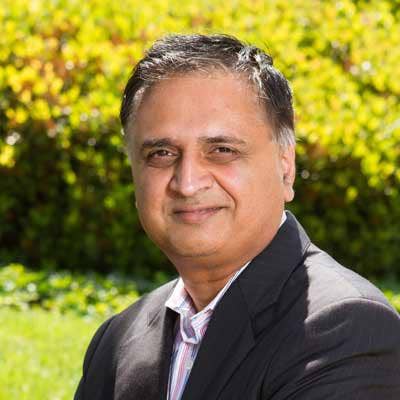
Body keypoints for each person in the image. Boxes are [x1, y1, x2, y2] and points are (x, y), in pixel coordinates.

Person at [74, 34, 400, 400]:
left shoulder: (347, 328)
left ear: (286, 167)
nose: (187, 183)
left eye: (222, 150)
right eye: (161, 153)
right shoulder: (116, 341)